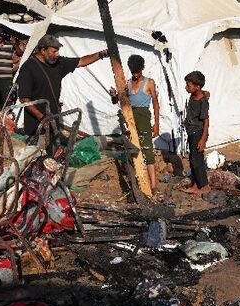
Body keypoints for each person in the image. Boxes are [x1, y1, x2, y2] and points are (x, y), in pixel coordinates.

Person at [16, 34, 109, 144]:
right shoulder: (28, 68)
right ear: (43, 50)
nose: (57, 54)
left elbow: (81, 61)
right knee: (38, 157)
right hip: (37, 126)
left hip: (54, 121)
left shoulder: (58, 63)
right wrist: (42, 118)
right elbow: (24, 99)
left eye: (58, 51)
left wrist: (100, 54)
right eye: (54, 51)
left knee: (53, 156)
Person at [109, 55, 161, 193]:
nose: (135, 75)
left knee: (147, 151)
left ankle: (154, 185)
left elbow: (156, 103)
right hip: (131, 121)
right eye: (133, 72)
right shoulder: (127, 83)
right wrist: (114, 95)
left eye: (137, 72)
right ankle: (138, 181)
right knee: (133, 150)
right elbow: (118, 100)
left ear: (142, 69)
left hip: (143, 119)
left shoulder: (149, 83)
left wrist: (156, 124)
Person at [181, 71, 210, 195]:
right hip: (192, 132)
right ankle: (195, 185)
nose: (186, 87)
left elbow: (206, 121)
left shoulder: (202, 102)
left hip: (198, 133)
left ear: (197, 87)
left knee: (196, 160)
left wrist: (203, 139)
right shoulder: (194, 95)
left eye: (189, 85)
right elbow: (204, 92)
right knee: (193, 159)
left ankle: (204, 186)